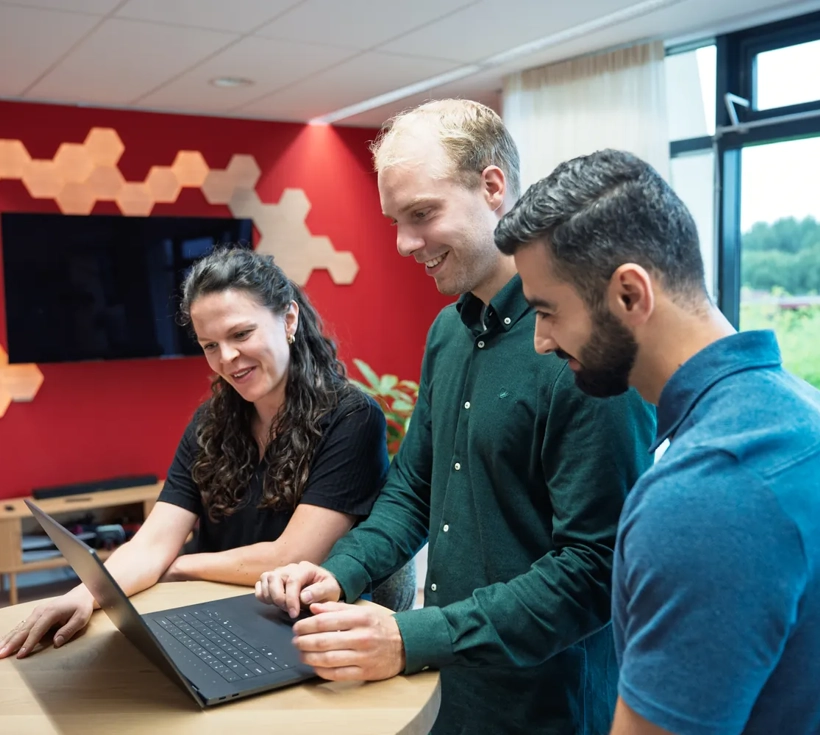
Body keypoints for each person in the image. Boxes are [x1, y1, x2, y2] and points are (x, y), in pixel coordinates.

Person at [254, 100, 657, 734]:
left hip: (542, 708)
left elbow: (593, 570)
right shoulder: (449, 331)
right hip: (443, 689)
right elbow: (414, 489)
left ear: (492, 187)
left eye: (422, 214)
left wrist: (410, 636)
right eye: (396, 221)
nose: (403, 243)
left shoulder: (584, 347)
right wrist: (335, 574)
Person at [494, 148, 820, 735]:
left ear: (629, 294)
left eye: (547, 311)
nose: (540, 341)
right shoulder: (801, 413)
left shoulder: (705, 495)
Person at [0, 247, 393, 660]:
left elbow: (291, 556)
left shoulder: (352, 417)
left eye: (241, 334)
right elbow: (154, 542)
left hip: (303, 629)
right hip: (212, 614)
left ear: (289, 319)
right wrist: (84, 595)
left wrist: (181, 566)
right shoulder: (211, 421)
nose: (227, 358)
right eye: (210, 345)